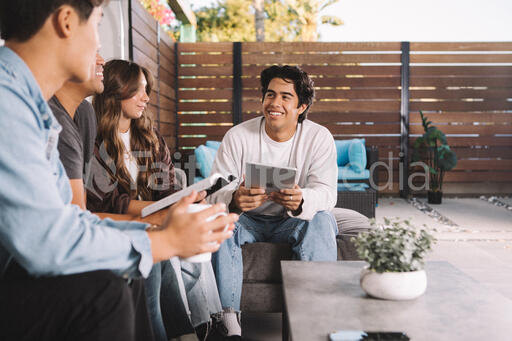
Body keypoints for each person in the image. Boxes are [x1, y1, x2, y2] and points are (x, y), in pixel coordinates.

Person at [0, 2, 237, 341]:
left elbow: (69, 220)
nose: (99, 49)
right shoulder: (7, 101)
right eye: (97, 23)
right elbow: (46, 240)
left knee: (127, 271)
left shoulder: (32, 105)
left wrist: (161, 227)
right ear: (66, 21)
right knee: (105, 291)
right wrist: (164, 239)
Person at [85, 59, 227, 340]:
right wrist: (162, 213)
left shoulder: (150, 137)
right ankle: (186, 331)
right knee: (166, 238)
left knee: (195, 227)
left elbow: (167, 188)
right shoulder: (94, 140)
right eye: (138, 90)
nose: (146, 98)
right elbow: (111, 202)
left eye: (146, 90)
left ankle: (207, 324)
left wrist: (187, 200)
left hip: (156, 214)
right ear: (117, 91)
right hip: (124, 222)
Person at [208, 65, 339, 339]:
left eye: (285, 97)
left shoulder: (318, 137)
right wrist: (234, 198)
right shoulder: (238, 136)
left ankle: (315, 317)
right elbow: (214, 191)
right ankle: (227, 320)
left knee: (323, 219)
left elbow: (327, 193)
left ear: (301, 106)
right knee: (218, 220)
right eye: (270, 95)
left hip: (289, 222)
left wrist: (302, 199)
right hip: (247, 220)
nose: (274, 103)